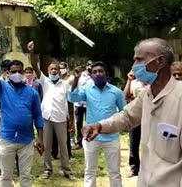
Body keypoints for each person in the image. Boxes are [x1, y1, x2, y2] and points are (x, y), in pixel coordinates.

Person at [81, 38, 182, 187]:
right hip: (145, 179)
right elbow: (127, 116)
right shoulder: (147, 94)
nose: (134, 66)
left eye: (139, 60)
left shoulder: (179, 97)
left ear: (160, 61)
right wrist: (99, 126)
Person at [0, 39, 44, 187]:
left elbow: (38, 116)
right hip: (7, 138)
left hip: (27, 140)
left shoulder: (32, 93)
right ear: (8, 73)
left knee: (25, 177)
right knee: (6, 176)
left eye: (19, 71)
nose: (17, 74)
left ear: (23, 72)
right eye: (13, 72)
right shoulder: (2, 88)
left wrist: (40, 139)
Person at [68, 61, 125, 187]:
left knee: (114, 172)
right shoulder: (87, 90)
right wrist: (76, 80)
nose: (98, 74)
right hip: (91, 137)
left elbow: (124, 113)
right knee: (90, 171)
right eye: (94, 72)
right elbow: (72, 98)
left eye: (100, 71)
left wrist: (118, 127)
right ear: (91, 76)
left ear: (106, 74)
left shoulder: (116, 92)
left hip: (111, 137)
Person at [28, 41, 74, 179]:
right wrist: (31, 52)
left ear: (59, 72)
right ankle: (47, 169)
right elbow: (35, 66)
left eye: (56, 69)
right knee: (46, 146)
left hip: (61, 119)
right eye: (51, 69)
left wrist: (71, 119)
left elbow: (70, 103)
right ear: (48, 72)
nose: (53, 71)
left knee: (63, 146)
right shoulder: (44, 81)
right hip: (46, 118)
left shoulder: (65, 85)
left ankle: (67, 170)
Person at [123, 70, 147, 177]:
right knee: (134, 142)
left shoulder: (154, 83)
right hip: (135, 115)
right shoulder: (134, 83)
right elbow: (126, 95)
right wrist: (129, 79)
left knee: (149, 143)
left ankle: (147, 167)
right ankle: (134, 167)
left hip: (149, 116)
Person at [74, 60, 94, 150]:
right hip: (79, 103)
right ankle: (79, 142)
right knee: (78, 123)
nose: (90, 67)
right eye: (89, 65)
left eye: (92, 66)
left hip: (89, 104)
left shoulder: (94, 76)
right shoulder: (80, 76)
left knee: (89, 122)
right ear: (86, 66)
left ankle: (89, 139)